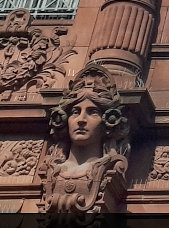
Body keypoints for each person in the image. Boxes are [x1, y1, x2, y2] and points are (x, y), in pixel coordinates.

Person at [42, 65, 129, 214]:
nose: (81, 120)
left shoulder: (106, 169)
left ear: (107, 121)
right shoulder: (52, 169)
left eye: (92, 112)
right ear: (64, 120)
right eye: (75, 112)